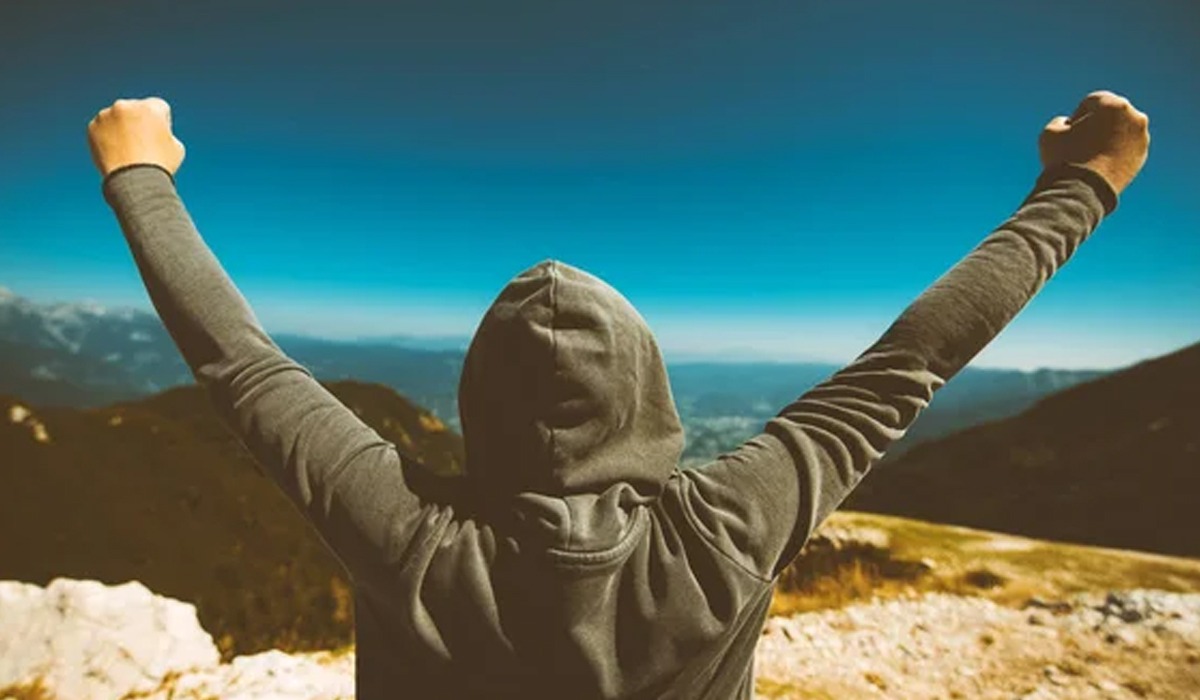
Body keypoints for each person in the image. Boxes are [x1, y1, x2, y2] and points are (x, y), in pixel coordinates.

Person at [88, 89, 1149, 699]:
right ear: (649, 391)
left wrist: (139, 173)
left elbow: (241, 362)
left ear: (478, 399)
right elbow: (913, 359)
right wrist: (1081, 185)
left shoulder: (407, 534)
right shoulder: (732, 523)